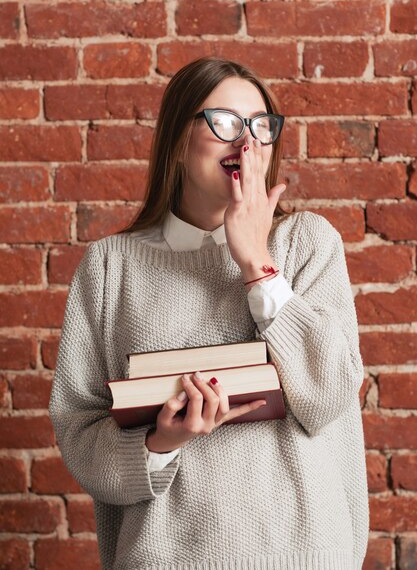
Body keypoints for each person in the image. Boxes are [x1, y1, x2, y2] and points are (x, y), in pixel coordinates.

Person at [49, 56, 369, 570]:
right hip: (167, 556)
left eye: (260, 127)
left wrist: (257, 265)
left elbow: (330, 392)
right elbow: (78, 430)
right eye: (224, 123)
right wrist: (159, 442)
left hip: (305, 552)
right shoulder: (111, 267)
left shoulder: (307, 242)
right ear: (178, 139)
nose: (246, 142)